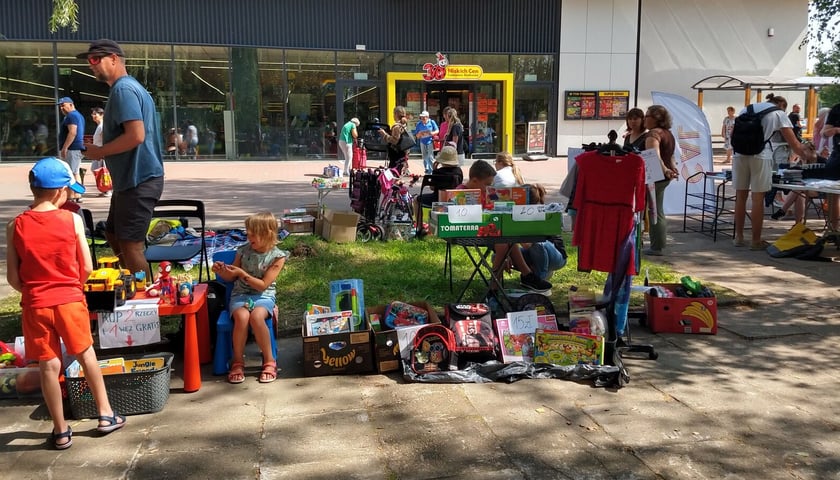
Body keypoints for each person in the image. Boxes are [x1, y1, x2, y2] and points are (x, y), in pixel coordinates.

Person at [6, 157, 126, 450]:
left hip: (36, 303)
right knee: (86, 355)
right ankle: (105, 414)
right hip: (69, 299)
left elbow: (12, 277)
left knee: (48, 364)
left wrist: (35, 290)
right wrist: (70, 284)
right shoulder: (71, 220)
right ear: (60, 191)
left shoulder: (15, 225)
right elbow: (86, 267)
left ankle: (60, 430)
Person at [77, 39, 165, 279]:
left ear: (114, 58)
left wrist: (99, 152)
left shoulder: (123, 89)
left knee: (130, 244)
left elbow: (136, 136)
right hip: (130, 181)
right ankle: (128, 282)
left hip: (139, 180)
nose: (91, 65)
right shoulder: (127, 87)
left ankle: (145, 301)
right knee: (113, 234)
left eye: (96, 59)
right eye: (88, 61)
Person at [211, 211, 287, 384]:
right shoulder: (243, 250)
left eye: (253, 233)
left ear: (267, 234)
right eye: (248, 232)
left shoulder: (278, 256)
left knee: (257, 316)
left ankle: (269, 360)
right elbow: (230, 277)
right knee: (242, 316)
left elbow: (262, 285)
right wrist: (223, 271)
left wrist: (241, 273)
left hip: (263, 295)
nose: (248, 236)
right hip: (240, 295)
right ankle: (237, 361)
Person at [458, 160, 552, 292]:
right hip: (469, 231)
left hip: (491, 231)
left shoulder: (488, 192)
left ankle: (523, 276)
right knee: (503, 243)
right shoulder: (461, 193)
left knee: (508, 237)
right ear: (474, 181)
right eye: (486, 184)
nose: (489, 188)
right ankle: (498, 283)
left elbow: (498, 205)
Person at [733, 94, 811, 250]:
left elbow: (732, 134)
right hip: (761, 156)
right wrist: (807, 158)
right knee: (757, 198)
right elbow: (794, 143)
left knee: (740, 197)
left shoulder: (746, 109)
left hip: (739, 155)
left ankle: (739, 237)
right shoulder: (778, 114)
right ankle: (756, 241)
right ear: (781, 104)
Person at [643, 105, 677, 256]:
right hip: (664, 176)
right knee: (657, 210)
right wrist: (672, 169)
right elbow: (670, 155)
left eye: (647, 116)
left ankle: (657, 246)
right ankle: (658, 244)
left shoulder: (653, 134)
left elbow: (654, 156)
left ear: (656, 119)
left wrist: (665, 170)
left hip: (654, 176)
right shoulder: (668, 133)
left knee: (654, 211)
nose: (645, 119)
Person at [518, 184, 567, 281]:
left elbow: (527, 245)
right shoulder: (520, 214)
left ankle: (540, 279)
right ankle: (531, 274)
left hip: (556, 257)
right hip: (535, 253)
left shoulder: (543, 214)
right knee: (498, 256)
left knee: (538, 243)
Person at [413, 145, 463, 229]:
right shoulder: (458, 171)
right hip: (454, 200)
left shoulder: (438, 172)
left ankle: (419, 226)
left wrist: (434, 169)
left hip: (437, 199)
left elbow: (432, 188)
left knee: (416, 200)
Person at [57, 97, 85, 203]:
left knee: (70, 173)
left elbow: (72, 132)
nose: (61, 108)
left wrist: (65, 147)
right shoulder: (78, 116)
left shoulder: (71, 116)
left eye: (63, 105)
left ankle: (71, 196)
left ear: (71, 104)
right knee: (75, 172)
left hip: (72, 148)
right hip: (75, 148)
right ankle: (77, 195)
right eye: (60, 106)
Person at [821, 102, 840, 230]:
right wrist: (836, 130)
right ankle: (834, 228)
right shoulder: (837, 109)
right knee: (832, 192)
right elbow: (824, 133)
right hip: (838, 155)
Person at [379, 105, 410, 174]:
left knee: (393, 173)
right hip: (402, 153)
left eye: (393, 113)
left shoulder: (396, 126)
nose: (393, 115)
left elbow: (395, 141)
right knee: (397, 172)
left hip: (396, 154)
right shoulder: (404, 125)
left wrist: (384, 134)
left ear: (396, 114)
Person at [87, 107, 111, 197]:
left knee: (103, 171)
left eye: (95, 114)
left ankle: (107, 189)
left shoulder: (103, 126)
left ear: (101, 115)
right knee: (95, 170)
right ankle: (103, 188)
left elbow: (106, 139)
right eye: (92, 114)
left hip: (102, 152)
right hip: (97, 152)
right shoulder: (99, 126)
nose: (93, 116)